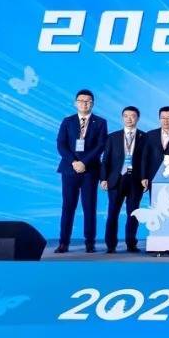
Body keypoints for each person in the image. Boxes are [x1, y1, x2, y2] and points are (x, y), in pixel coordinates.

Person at [55, 88, 107, 253]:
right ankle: (63, 243)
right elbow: (61, 144)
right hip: (69, 170)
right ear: (75, 103)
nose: (85, 104)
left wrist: (84, 162)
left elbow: (101, 145)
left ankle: (90, 243)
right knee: (68, 207)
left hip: (90, 170)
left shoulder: (100, 122)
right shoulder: (67, 121)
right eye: (81, 101)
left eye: (88, 101)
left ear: (93, 104)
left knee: (89, 207)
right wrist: (74, 162)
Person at [100, 106, 148, 253]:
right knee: (113, 213)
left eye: (132, 116)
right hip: (116, 179)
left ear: (138, 118)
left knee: (133, 214)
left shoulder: (145, 137)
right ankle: (111, 245)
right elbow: (105, 160)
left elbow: (146, 160)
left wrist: (145, 178)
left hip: (135, 181)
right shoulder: (112, 137)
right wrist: (103, 178)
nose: (129, 119)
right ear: (122, 118)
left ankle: (131, 243)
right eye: (126, 116)